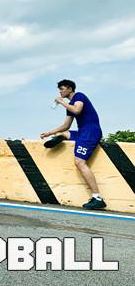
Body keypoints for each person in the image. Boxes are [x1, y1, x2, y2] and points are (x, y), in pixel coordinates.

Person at [41, 79, 106, 210]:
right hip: (82, 132)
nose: (60, 92)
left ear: (70, 89)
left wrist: (61, 102)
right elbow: (66, 125)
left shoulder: (79, 96)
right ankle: (58, 138)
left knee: (79, 162)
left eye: (62, 89)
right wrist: (49, 133)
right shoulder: (70, 105)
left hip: (90, 132)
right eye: (59, 89)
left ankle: (97, 198)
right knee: (65, 132)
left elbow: (77, 110)